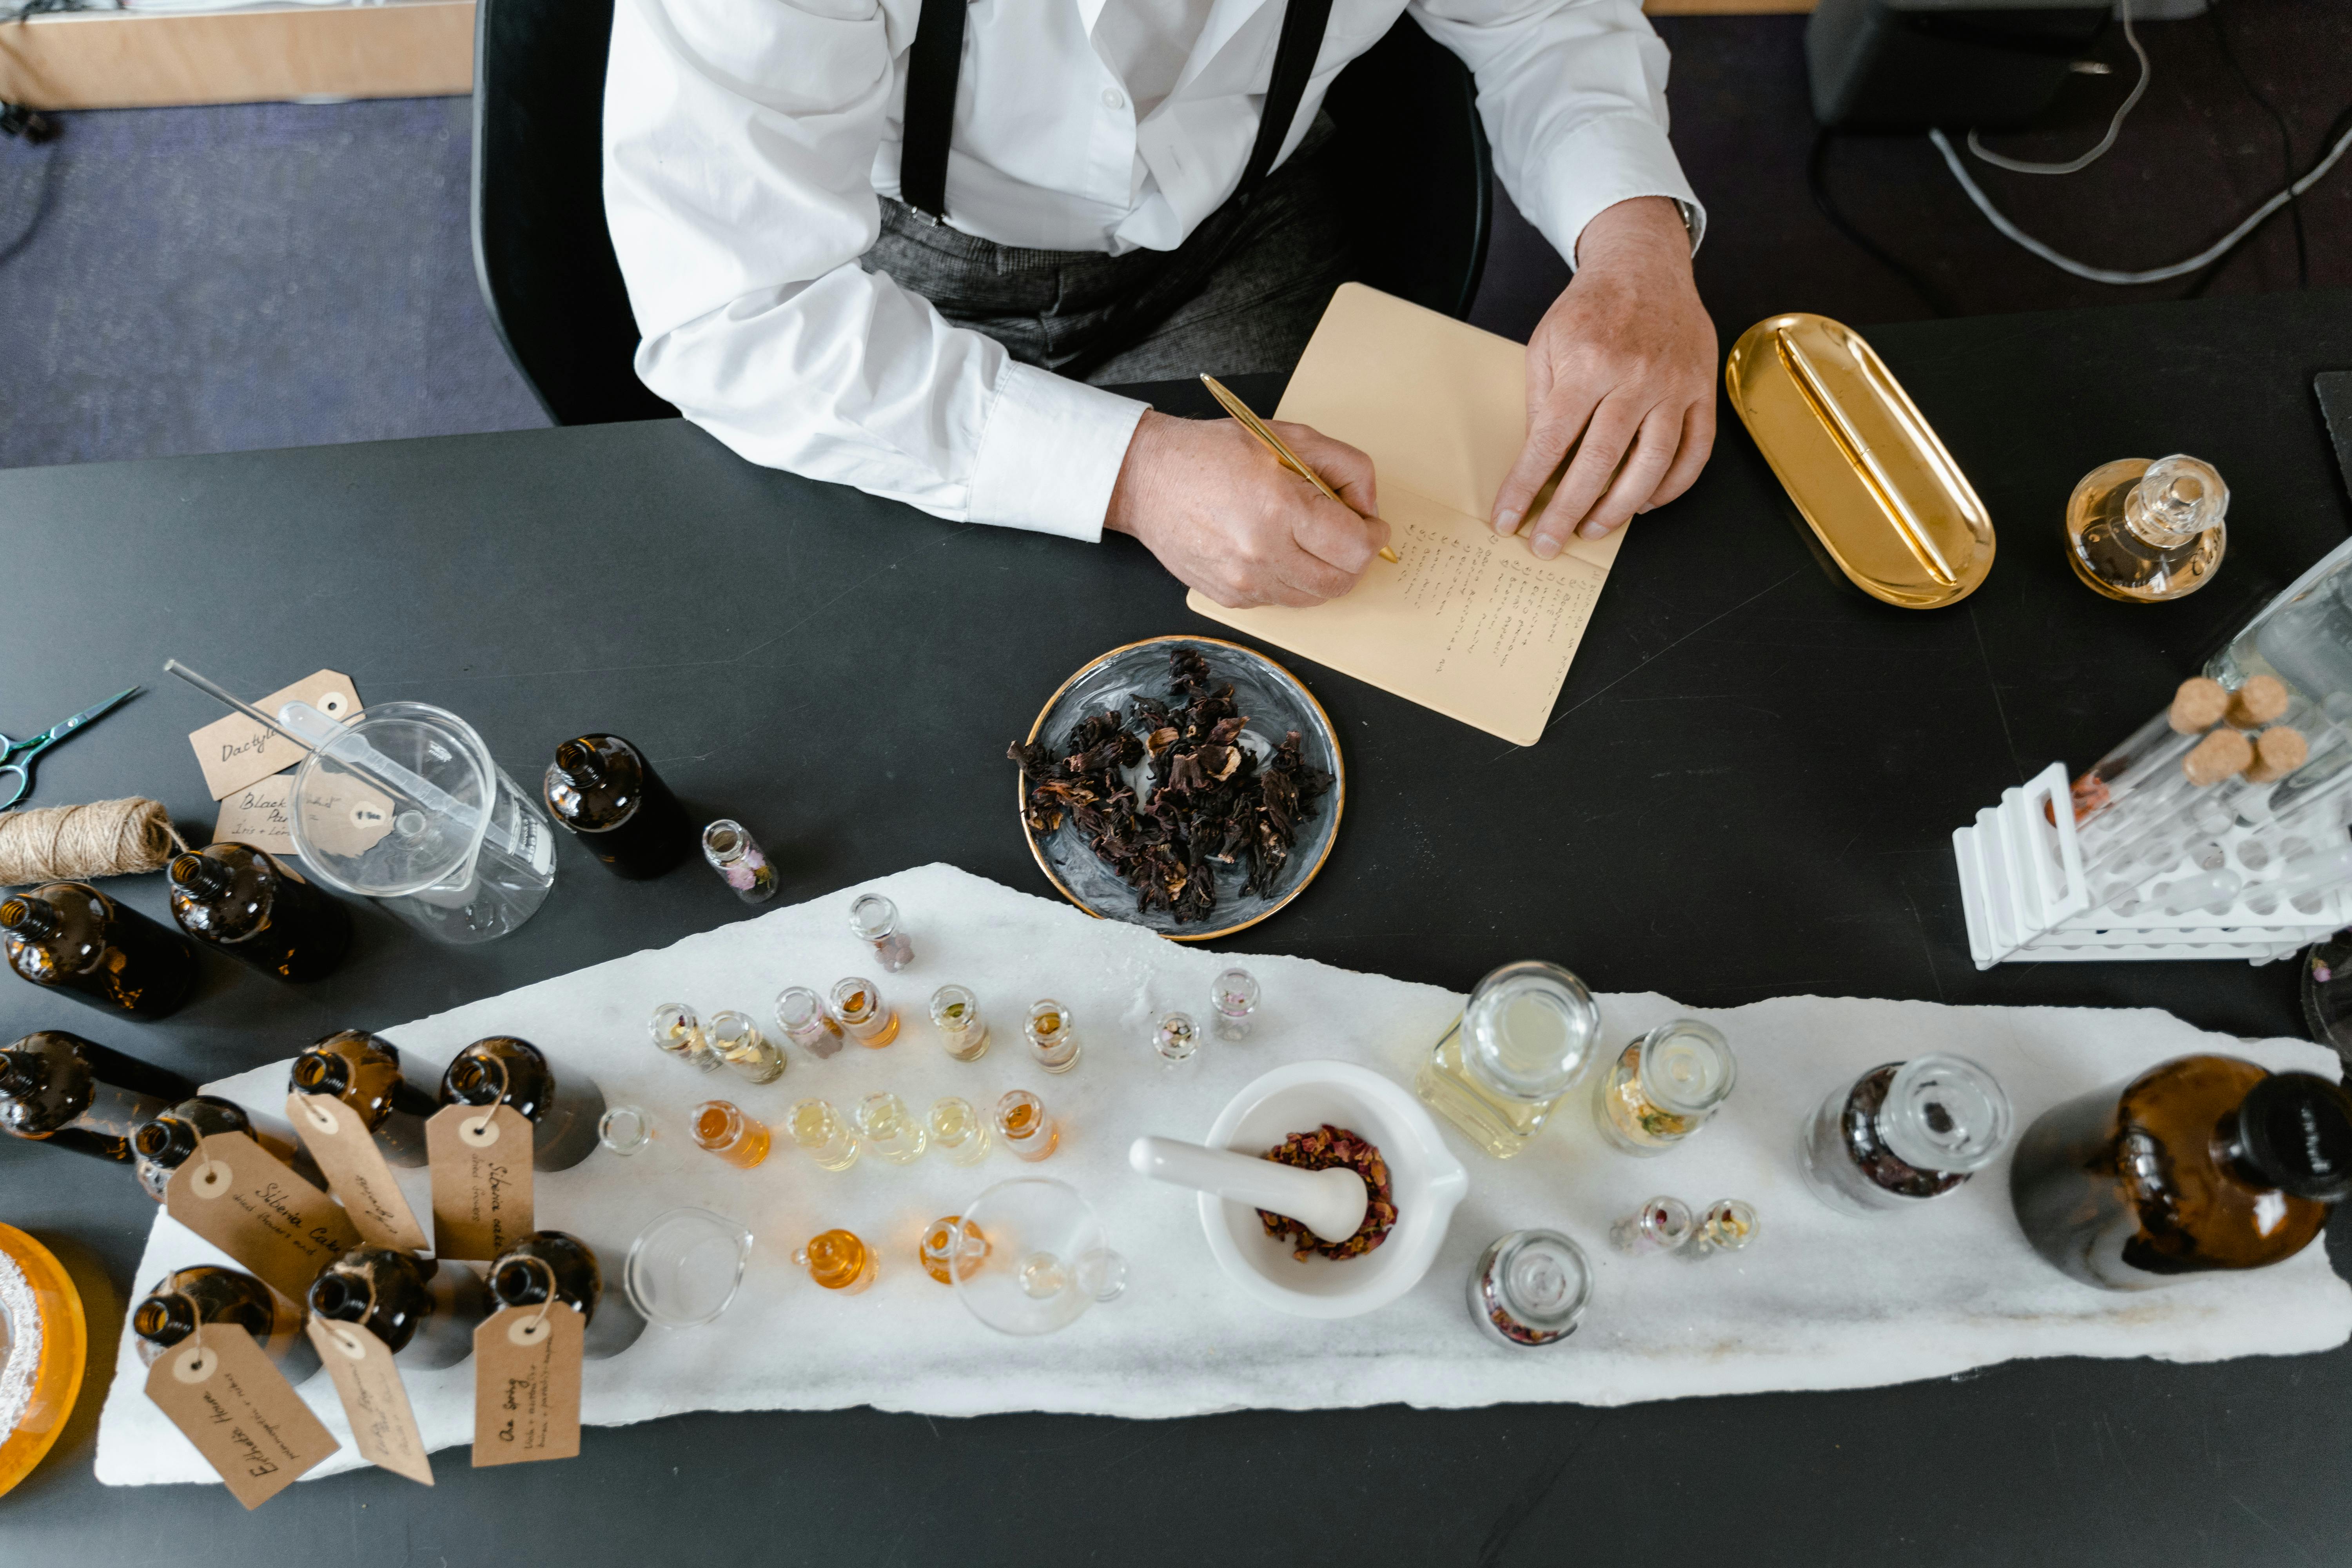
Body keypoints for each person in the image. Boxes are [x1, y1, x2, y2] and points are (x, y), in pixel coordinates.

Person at [604, 0, 1715, 611]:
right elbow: (735, 306)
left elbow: (1544, 18)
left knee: (1294, 646)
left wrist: (1635, 244)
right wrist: (1133, 472)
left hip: (1240, 235)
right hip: (892, 278)